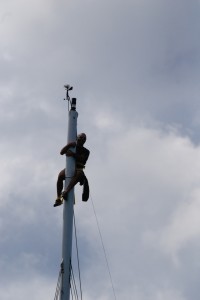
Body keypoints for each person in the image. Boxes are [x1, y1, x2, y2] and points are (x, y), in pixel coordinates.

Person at [54, 133, 90, 207]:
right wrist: (69, 145)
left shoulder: (86, 151)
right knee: (60, 175)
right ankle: (58, 197)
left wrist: (73, 154)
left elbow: (82, 159)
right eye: (81, 137)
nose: (82, 139)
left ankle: (66, 191)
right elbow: (61, 152)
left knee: (79, 173)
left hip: (78, 168)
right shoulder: (72, 146)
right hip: (70, 167)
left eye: (84, 139)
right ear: (77, 138)